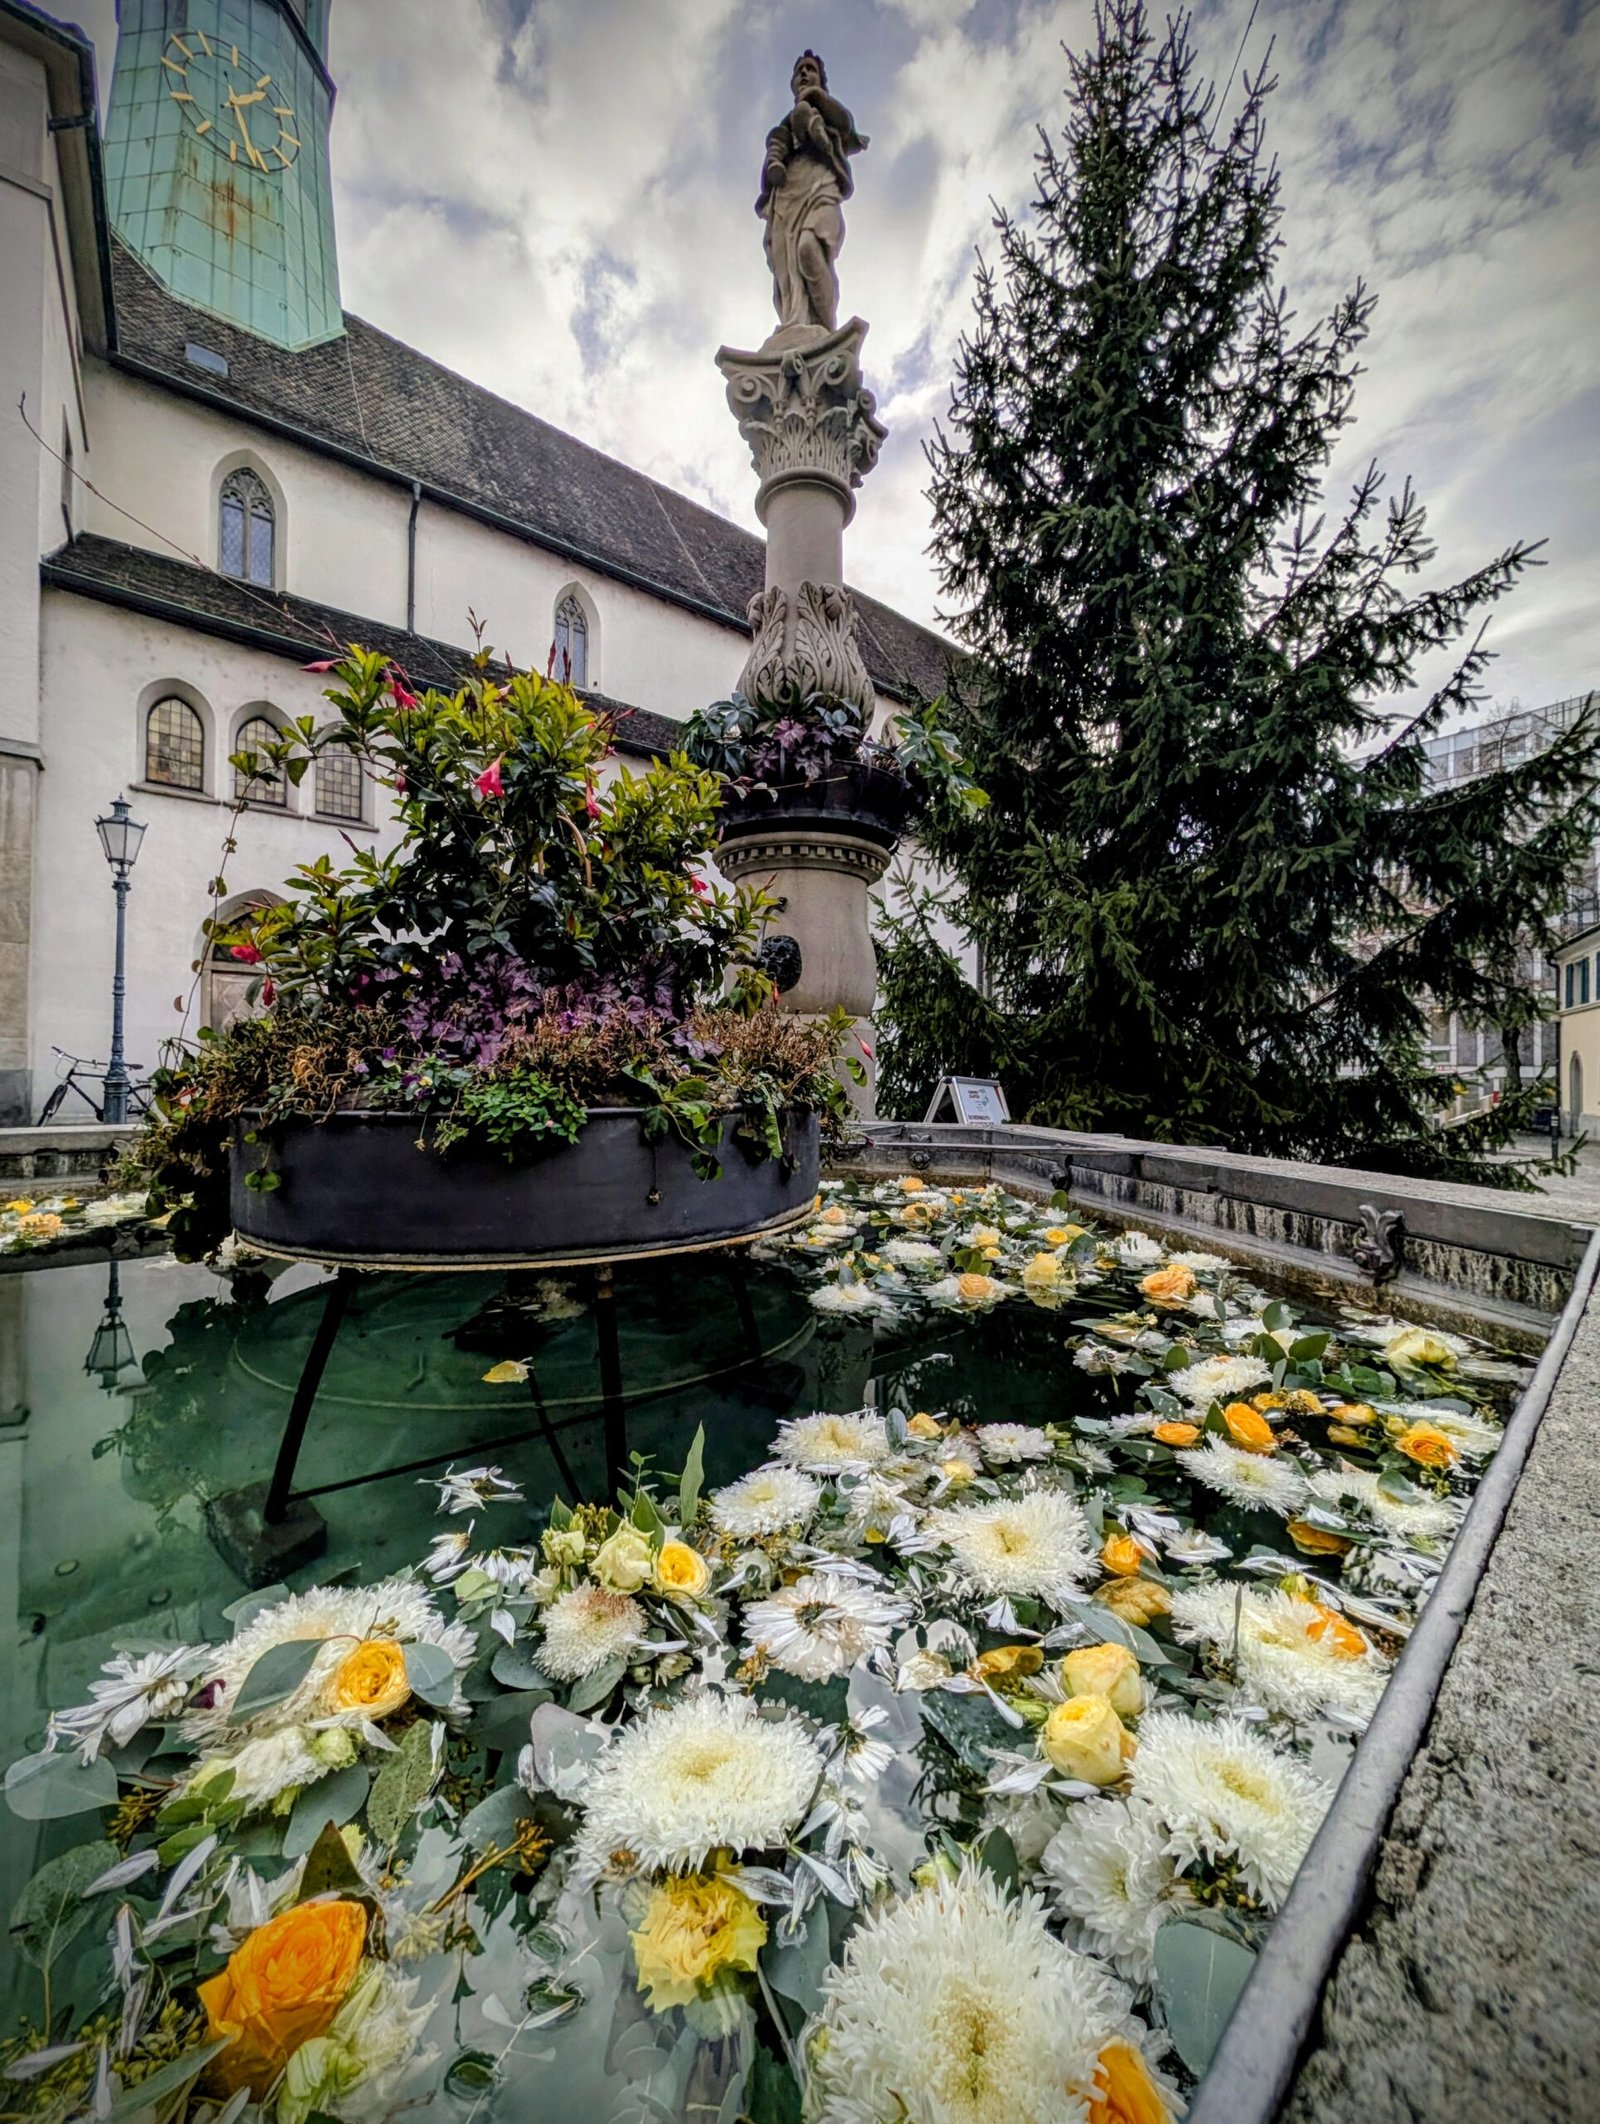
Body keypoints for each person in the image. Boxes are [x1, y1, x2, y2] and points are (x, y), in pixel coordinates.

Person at [756, 51, 867, 334]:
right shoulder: (785, 125)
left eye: (810, 69)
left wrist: (815, 99)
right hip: (788, 194)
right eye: (799, 71)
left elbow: (846, 125)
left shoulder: (827, 111)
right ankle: (797, 324)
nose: (804, 74)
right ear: (792, 83)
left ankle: (825, 329)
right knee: (787, 273)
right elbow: (775, 154)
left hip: (821, 185)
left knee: (809, 247)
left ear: (820, 79)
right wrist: (774, 162)